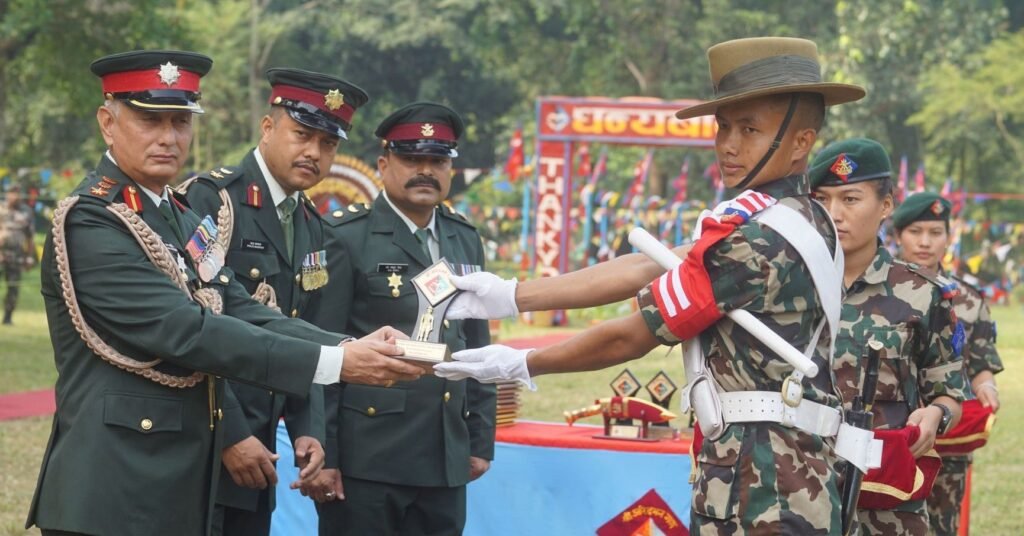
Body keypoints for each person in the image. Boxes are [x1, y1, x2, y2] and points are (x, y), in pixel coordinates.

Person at [437, 37, 865, 534]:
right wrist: (512, 295)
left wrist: (523, 363)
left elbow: (630, 337)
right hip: (778, 474)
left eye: (750, 130)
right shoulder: (797, 217)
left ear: (801, 142)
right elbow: (649, 266)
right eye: (723, 126)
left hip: (765, 490)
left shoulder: (760, 240)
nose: (728, 145)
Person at [25, 50, 423, 536]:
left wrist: (344, 345)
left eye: (180, 122)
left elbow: (239, 306)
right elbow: (188, 331)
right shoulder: (93, 220)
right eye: (150, 121)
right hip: (112, 490)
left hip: (177, 483)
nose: (169, 138)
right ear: (108, 124)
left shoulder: (177, 215)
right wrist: (335, 363)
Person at [181, 68, 369, 536]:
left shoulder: (310, 225)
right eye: (302, 135)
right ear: (268, 128)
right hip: (203, 440)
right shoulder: (213, 199)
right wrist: (230, 433)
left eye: (328, 144)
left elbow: (302, 335)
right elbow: (190, 327)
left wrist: (308, 428)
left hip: (261, 450)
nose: (314, 152)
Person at [312, 102, 496, 535]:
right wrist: (326, 454)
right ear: (384, 165)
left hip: (445, 453)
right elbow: (322, 349)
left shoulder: (463, 237)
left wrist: (479, 439)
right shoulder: (346, 236)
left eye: (437, 161)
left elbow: (477, 344)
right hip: (368, 458)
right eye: (412, 159)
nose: (426, 171)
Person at [808, 139, 967, 535]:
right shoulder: (788, 287)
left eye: (850, 199)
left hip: (887, 505)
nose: (834, 214)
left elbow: (949, 392)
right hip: (801, 492)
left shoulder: (922, 294)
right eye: (821, 199)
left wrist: (937, 414)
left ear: (885, 206)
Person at [892, 192, 1003, 536]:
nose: (925, 242)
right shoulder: (877, 291)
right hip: (892, 433)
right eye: (915, 232)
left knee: (942, 526)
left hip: (949, 439)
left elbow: (981, 361)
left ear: (948, 237)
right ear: (898, 236)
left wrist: (987, 386)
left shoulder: (967, 299)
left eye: (935, 232)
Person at [0, 185, 36, 325]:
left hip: (17, 255)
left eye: (17, 193)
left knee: (13, 287)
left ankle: (7, 317)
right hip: (1, 253)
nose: (14, 196)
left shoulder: (26, 211)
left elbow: (30, 237)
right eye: (11, 193)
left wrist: (29, 256)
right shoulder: (1, 208)